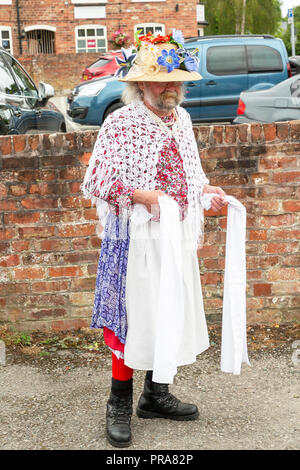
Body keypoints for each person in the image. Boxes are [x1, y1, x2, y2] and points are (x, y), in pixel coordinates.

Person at [82, 30, 227, 448]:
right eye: (163, 80)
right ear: (141, 82)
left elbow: (191, 175)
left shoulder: (182, 119)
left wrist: (208, 193)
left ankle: (155, 394)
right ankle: (119, 405)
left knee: (170, 311)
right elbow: (97, 179)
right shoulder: (121, 123)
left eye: (178, 80)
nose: (172, 88)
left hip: (174, 235)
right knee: (134, 318)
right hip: (135, 237)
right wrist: (138, 195)